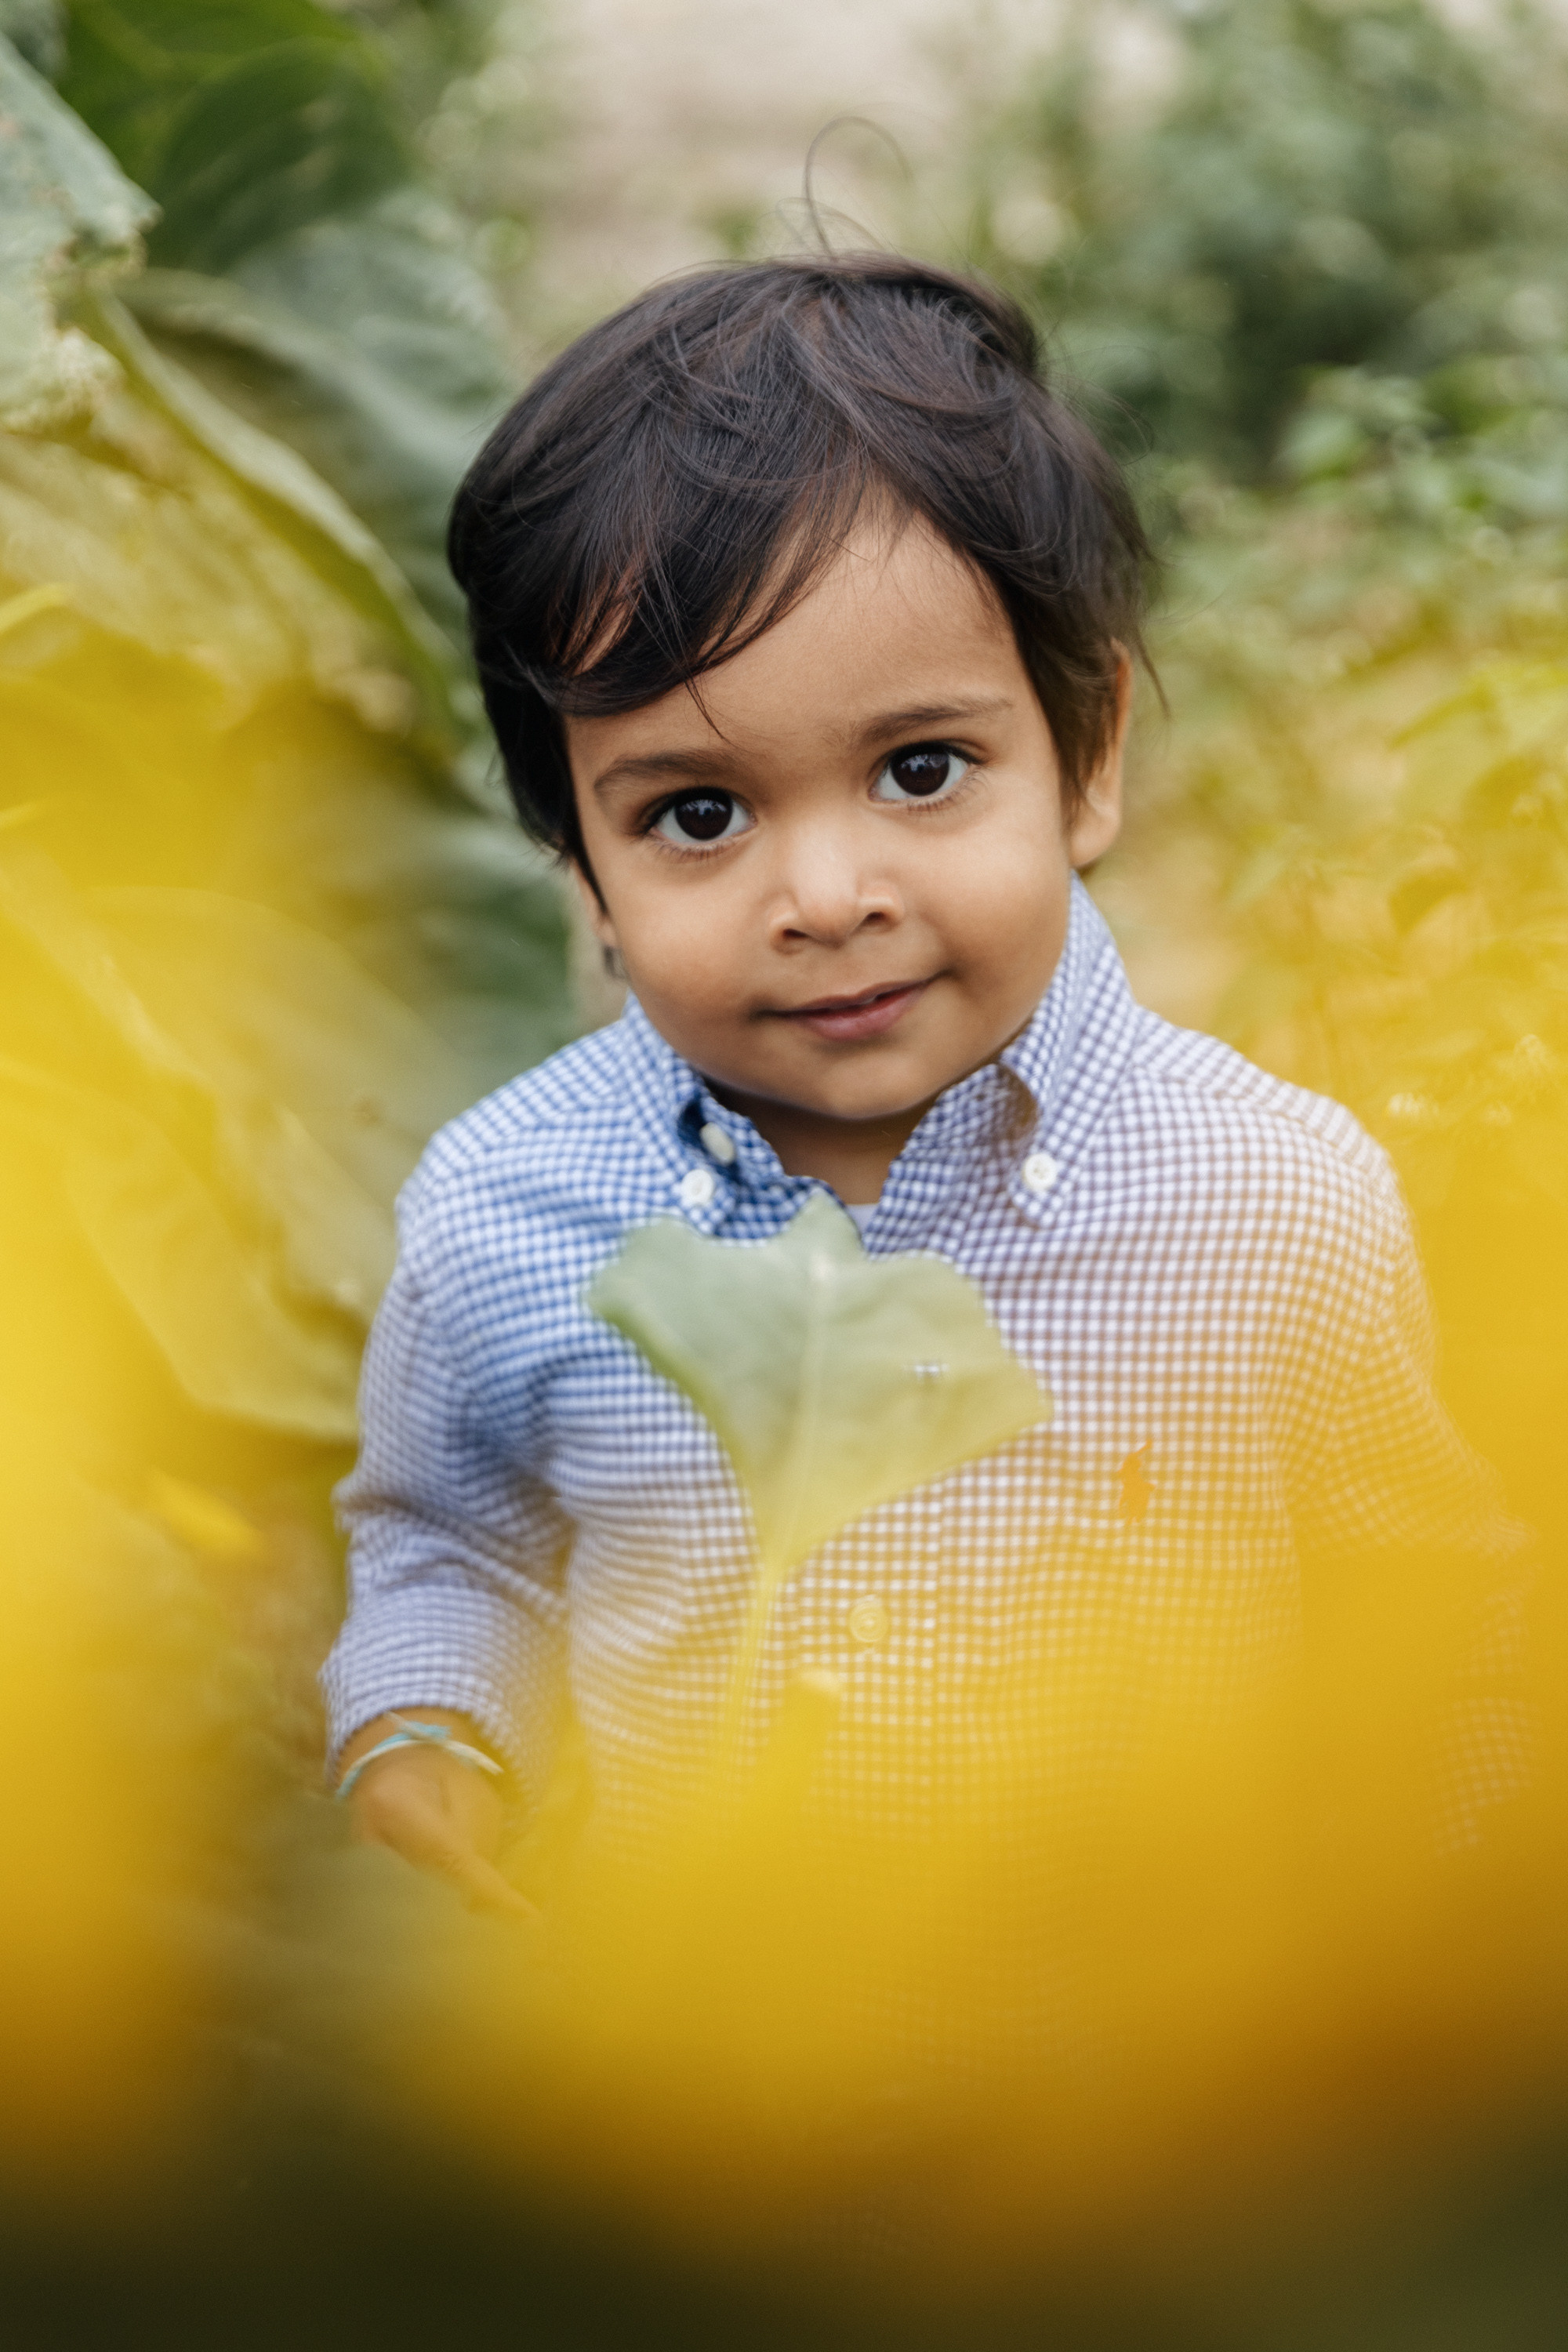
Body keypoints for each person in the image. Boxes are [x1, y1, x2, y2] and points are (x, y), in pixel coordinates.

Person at [321, 255, 1516, 1913]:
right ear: (581, 862)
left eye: (920, 769)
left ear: (1086, 756)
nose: (825, 896)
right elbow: (453, 1538)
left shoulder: (1272, 1200)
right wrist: (431, 1719)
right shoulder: (506, 1211)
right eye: (695, 815)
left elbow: (1427, 1625)